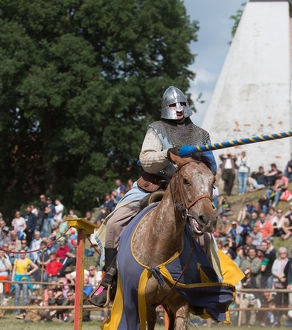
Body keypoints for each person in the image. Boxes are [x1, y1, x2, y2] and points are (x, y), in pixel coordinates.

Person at [88, 86, 216, 307]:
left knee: (205, 237)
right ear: (166, 108)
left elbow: (208, 167)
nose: (178, 109)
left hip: (185, 194)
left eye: (181, 105)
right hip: (153, 186)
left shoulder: (201, 135)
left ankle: (204, 285)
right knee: (115, 224)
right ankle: (108, 278)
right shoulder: (156, 130)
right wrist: (167, 154)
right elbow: (146, 159)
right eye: (174, 105)